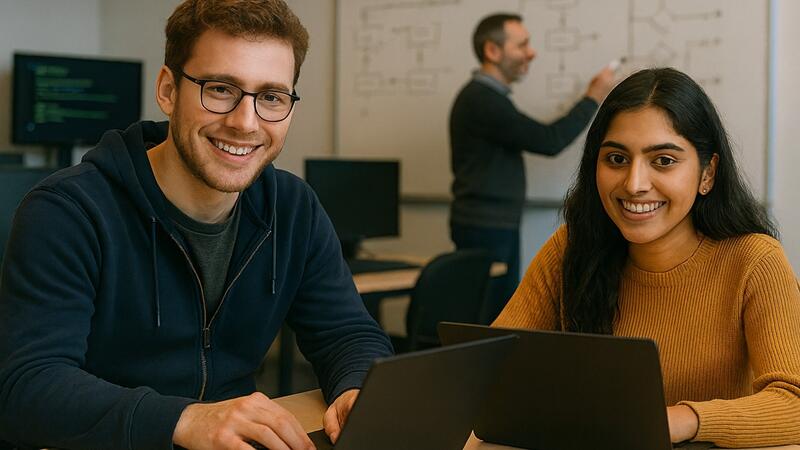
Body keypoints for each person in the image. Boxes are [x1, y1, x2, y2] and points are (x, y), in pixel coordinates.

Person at [0, 1, 393, 449]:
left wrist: (356, 388)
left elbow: (346, 332)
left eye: (271, 97)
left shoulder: (293, 207)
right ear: (168, 90)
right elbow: (27, 386)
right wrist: (184, 419)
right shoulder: (68, 211)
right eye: (220, 89)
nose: (245, 122)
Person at [494, 67, 800, 447]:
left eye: (664, 161)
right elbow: (490, 370)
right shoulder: (572, 246)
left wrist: (679, 420)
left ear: (707, 173)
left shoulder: (754, 260)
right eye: (616, 159)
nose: (634, 184)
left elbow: (794, 402)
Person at [449, 13, 616, 321]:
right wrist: (593, 97)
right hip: (486, 226)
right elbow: (549, 140)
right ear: (492, 51)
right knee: (491, 319)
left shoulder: (488, 98)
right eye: (522, 45)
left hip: (491, 223)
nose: (532, 52)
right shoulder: (482, 101)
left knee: (494, 314)